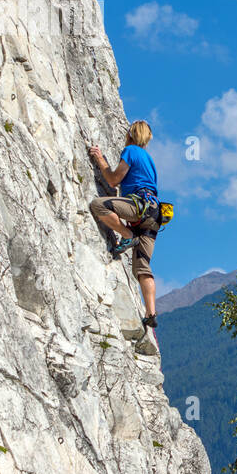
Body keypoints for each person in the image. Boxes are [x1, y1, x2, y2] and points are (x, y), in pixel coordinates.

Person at [88, 120, 160, 330]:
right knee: (142, 267)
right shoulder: (149, 159)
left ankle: (127, 235)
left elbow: (113, 180)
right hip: (154, 215)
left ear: (130, 135)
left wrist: (100, 159)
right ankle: (151, 313)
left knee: (99, 205)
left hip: (138, 206)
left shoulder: (131, 151)